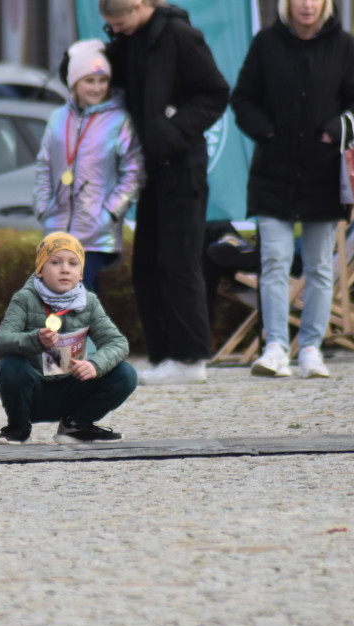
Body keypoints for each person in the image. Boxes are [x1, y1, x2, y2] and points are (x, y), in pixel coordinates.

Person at [231, 0, 354, 379]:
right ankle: (276, 347)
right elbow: (242, 97)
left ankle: (311, 348)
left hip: (323, 173)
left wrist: (333, 131)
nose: (307, 4)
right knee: (274, 261)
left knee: (319, 265)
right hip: (273, 172)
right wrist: (266, 131)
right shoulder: (266, 43)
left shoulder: (344, 45)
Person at [99, 0, 230, 385]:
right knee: (148, 264)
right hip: (151, 168)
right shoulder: (130, 39)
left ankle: (190, 358)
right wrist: (82, 61)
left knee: (180, 260)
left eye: (119, 22)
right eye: (110, 25)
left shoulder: (180, 36)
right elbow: (104, 73)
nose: (116, 29)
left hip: (182, 167)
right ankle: (164, 357)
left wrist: (172, 131)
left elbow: (215, 92)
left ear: (139, 5)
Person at [0, 232, 137, 445]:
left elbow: (117, 342)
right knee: (10, 366)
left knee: (126, 374)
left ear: (81, 274)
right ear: (40, 270)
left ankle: (76, 426)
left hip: (72, 389)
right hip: (34, 392)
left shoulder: (89, 302)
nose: (65, 269)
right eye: (55, 262)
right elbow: (1, 342)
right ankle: (18, 427)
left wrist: (95, 365)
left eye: (73, 263)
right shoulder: (24, 299)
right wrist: (34, 340)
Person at [35, 39, 143, 294]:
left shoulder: (119, 120)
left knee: (73, 292)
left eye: (102, 80)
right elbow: (44, 165)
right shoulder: (58, 118)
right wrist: (43, 206)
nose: (97, 87)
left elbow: (133, 172)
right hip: (57, 229)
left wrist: (110, 213)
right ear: (74, 83)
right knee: (74, 295)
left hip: (95, 232)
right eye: (89, 81)